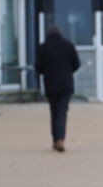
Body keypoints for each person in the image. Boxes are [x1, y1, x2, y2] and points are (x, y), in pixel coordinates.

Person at [34, 24, 80, 152]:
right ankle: (60, 139)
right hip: (66, 85)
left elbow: (38, 67)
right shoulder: (68, 45)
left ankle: (56, 139)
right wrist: (68, 71)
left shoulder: (43, 47)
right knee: (62, 111)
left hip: (50, 85)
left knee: (54, 112)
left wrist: (46, 73)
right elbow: (77, 64)